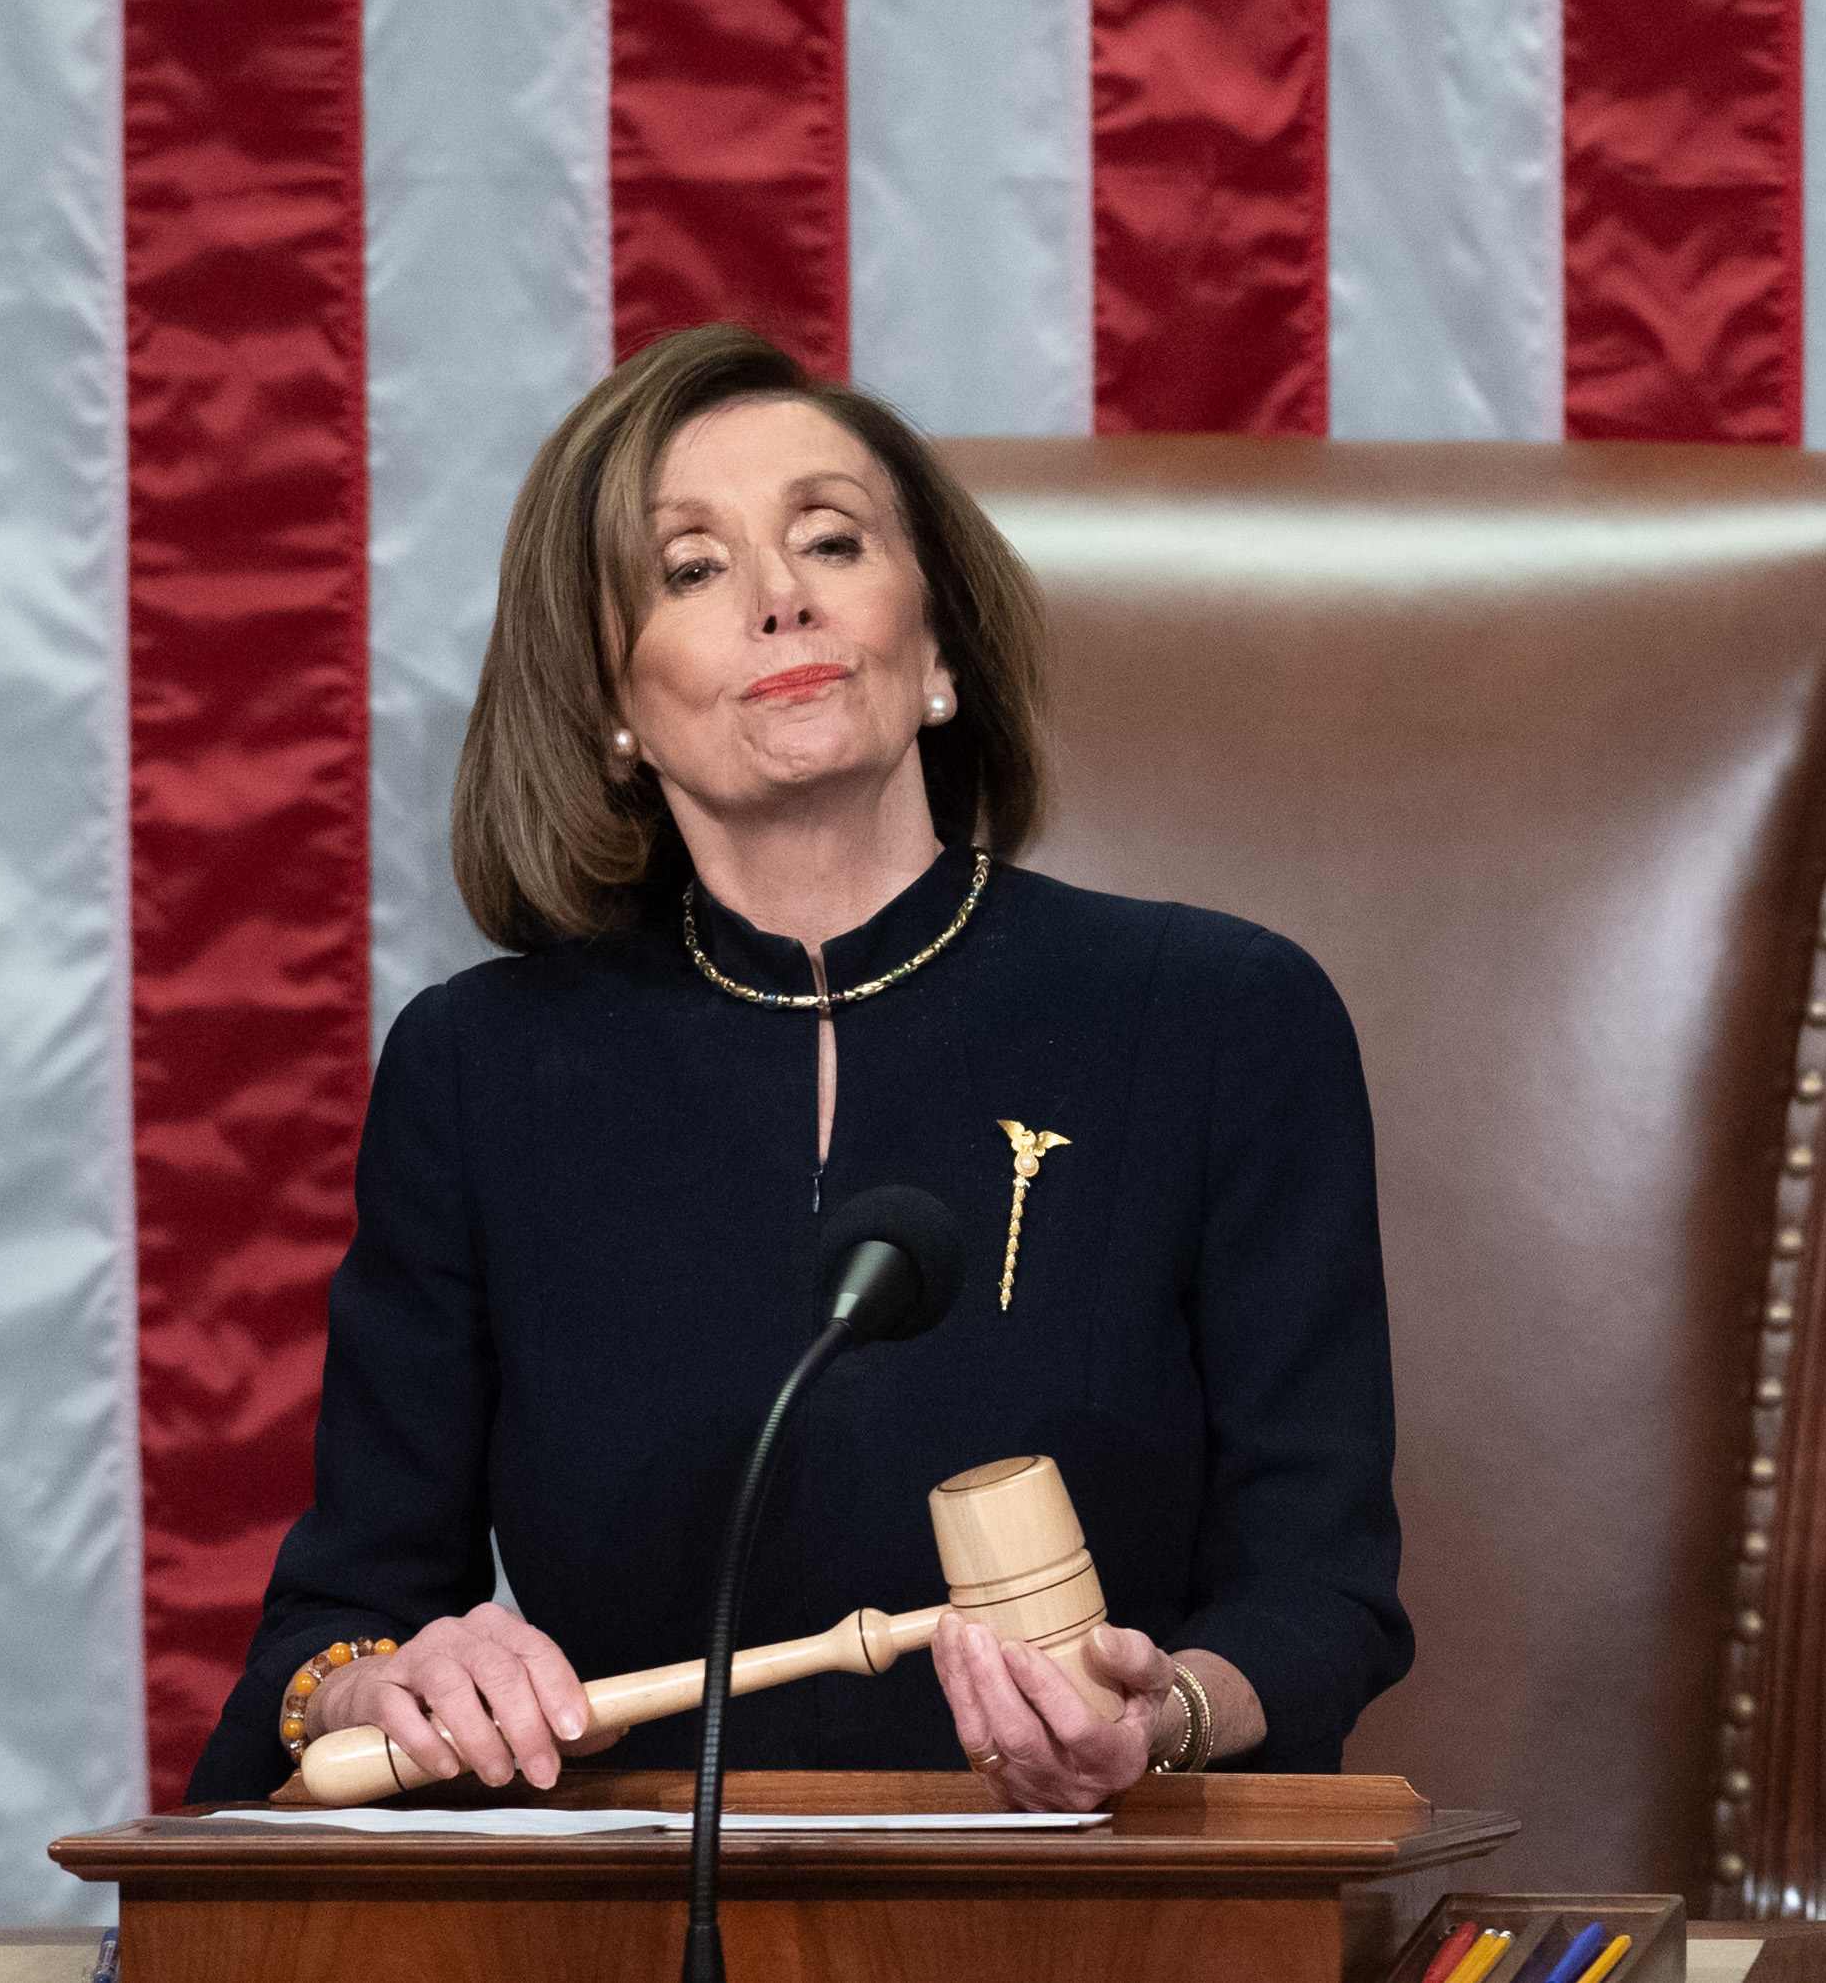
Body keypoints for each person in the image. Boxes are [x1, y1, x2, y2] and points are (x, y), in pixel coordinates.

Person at [184, 323, 1410, 1810]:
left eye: (830, 538)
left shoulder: (1221, 1015)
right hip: (626, 1925)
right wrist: (387, 1679)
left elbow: (1322, 1592)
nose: (780, 596)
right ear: (614, 706)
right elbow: (332, 1625)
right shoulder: (481, 1070)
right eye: (690, 568)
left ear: (938, 644)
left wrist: (1162, 1721)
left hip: (1100, 1904)